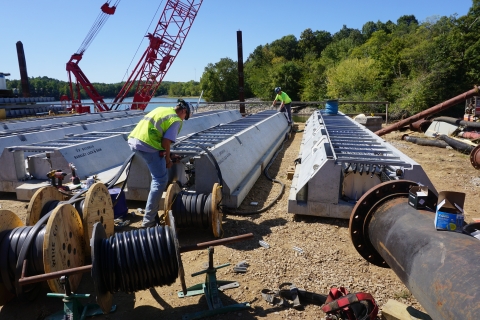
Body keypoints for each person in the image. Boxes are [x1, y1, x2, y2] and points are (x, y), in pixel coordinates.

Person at [128, 99, 191, 228]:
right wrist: (168, 161)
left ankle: (152, 211)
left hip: (135, 140)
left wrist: (169, 155)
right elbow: (165, 142)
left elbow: (160, 139)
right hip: (147, 146)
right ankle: (149, 220)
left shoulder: (162, 109)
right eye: (185, 117)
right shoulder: (176, 120)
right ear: (184, 111)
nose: (184, 119)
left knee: (157, 172)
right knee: (160, 180)